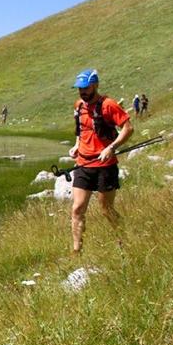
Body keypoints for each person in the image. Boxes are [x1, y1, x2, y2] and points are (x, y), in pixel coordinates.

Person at [68, 70, 134, 256]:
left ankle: (124, 240)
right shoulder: (79, 106)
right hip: (83, 165)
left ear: (95, 85)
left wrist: (111, 148)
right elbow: (81, 130)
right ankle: (76, 251)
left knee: (106, 210)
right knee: (77, 208)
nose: (82, 92)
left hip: (105, 166)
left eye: (86, 88)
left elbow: (128, 128)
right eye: (79, 89)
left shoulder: (108, 105)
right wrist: (76, 146)